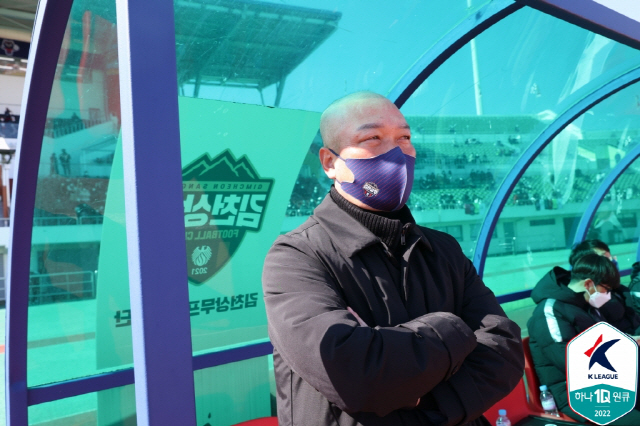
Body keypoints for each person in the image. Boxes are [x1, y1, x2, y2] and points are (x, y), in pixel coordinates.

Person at [263, 92, 524, 426]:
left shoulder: (443, 248)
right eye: (372, 138)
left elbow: (503, 351)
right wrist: (452, 329)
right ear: (330, 163)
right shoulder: (296, 256)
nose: (397, 152)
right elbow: (354, 373)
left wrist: (421, 407)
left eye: (404, 138)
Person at [528, 253, 640, 423]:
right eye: (606, 289)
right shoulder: (549, 312)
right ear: (588, 284)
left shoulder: (586, 305)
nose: (608, 295)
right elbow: (568, 361)